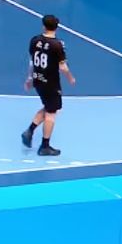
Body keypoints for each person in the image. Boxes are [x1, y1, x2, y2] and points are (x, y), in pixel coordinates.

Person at [22, 15, 75, 157]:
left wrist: (29, 78)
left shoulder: (34, 40)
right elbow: (63, 67)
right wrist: (70, 78)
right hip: (50, 83)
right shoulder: (57, 45)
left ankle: (30, 131)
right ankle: (44, 146)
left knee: (48, 106)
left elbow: (32, 61)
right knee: (52, 113)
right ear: (56, 28)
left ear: (43, 26)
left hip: (38, 79)